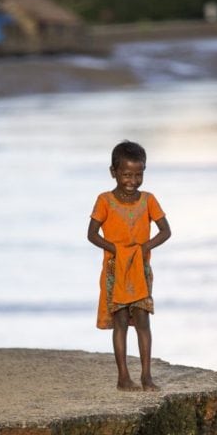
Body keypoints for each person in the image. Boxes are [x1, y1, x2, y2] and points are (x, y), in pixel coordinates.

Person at [87, 140, 172, 391]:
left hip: (140, 270)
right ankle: (123, 377)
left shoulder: (148, 200)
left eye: (138, 174)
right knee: (121, 321)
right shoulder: (104, 201)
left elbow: (166, 231)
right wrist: (115, 249)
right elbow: (92, 234)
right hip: (115, 269)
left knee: (143, 321)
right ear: (113, 172)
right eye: (126, 174)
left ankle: (147, 376)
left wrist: (144, 248)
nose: (132, 180)